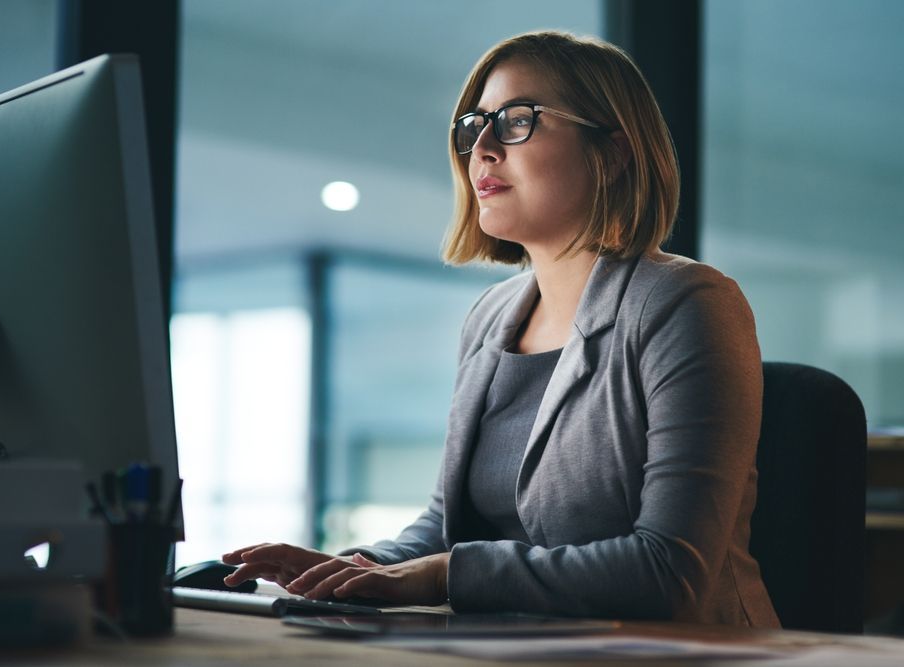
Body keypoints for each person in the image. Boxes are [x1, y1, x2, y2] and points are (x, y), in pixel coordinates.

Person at [222, 30, 780, 626]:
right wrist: (351, 570)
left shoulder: (685, 303)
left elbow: (668, 572)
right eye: (474, 125)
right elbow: (443, 526)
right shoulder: (491, 316)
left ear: (613, 153)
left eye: (517, 120)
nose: (481, 147)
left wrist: (443, 574)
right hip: (519, 647)